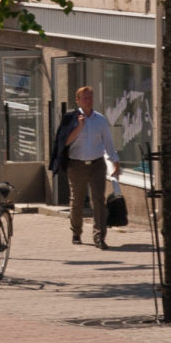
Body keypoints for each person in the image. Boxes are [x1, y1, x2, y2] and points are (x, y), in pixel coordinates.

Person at [51, 85, 121, 249]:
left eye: (90, 97)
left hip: (97, 164)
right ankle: (76, 231)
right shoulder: (70, 119)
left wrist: (115, 162)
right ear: (78, 100)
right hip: (77, 165)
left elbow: (108, 143)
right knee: (77, 200)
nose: (88, 101)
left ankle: (99, 236)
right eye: (85, 98)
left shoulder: (100, 119)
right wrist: (79, 128)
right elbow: (64, 142)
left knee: (98, 200)